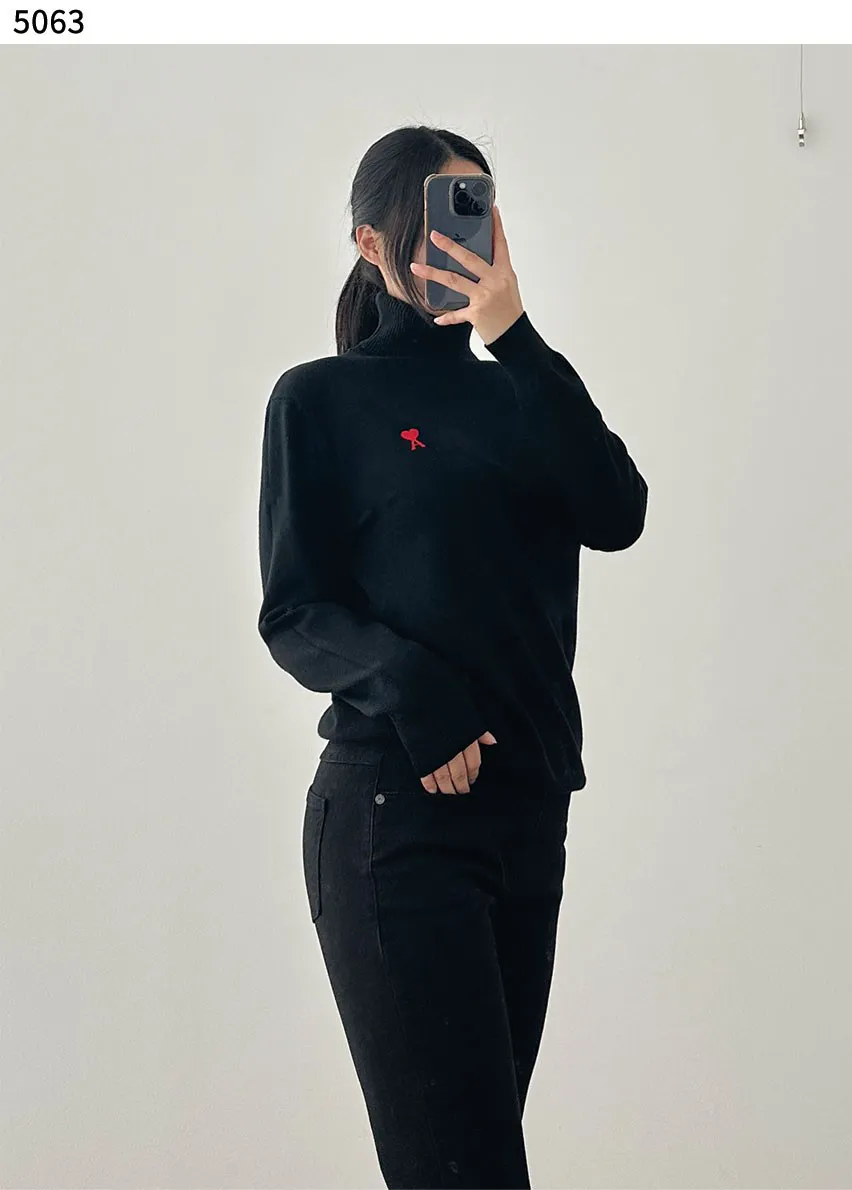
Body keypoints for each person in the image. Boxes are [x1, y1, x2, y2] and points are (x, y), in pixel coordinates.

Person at [257, 125, 648, 1190]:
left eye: (476, 208)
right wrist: (417, 694)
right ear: (370, 243)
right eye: (437, 213)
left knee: (474, 1163)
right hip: (396, 816)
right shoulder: (319, 401)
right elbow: (294, 611)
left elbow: (616, 512)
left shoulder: (522, 390)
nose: (459, 237)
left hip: (529, 818)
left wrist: (513, 333)